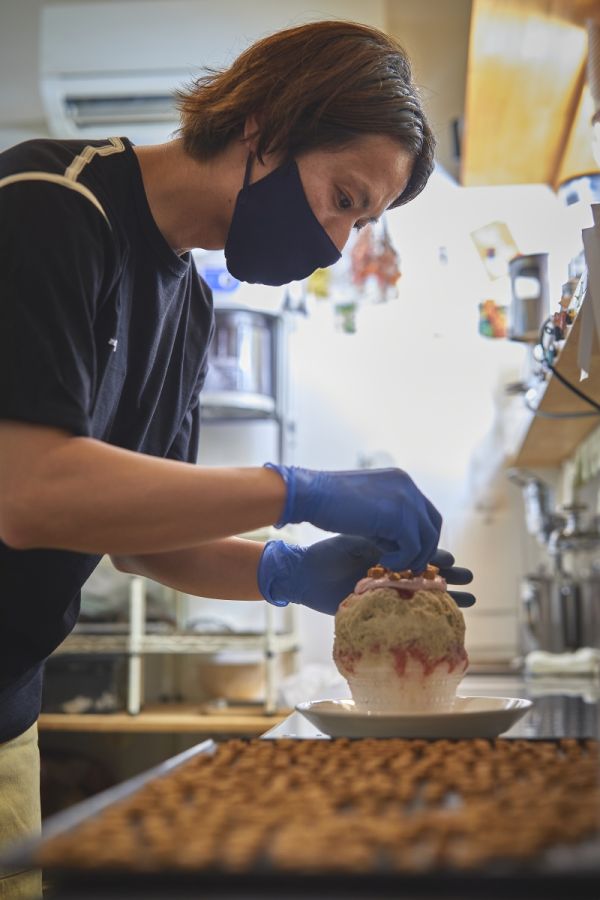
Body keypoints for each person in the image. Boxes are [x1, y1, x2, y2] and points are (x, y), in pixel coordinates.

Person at [0, 19, 474, 897]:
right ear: (265, 126)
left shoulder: (185, 305)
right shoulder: (50, 207)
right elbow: (29, 492)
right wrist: (297, 490)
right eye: (344, 197)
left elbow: (140, 541)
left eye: (361, 222)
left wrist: (289, 574)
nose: (338, 243)